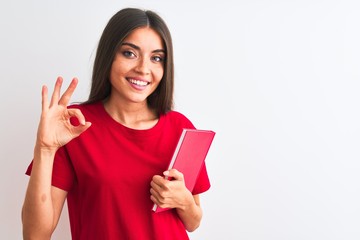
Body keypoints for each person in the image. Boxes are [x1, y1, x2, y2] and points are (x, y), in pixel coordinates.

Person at [22, 7, 211, 240]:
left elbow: (194, 222)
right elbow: (35, 235)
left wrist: (183, 201)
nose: (143, 68)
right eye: (130, 53)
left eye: (156, 58)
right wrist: (44, 148)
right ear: (109, 56)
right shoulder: (73, 126)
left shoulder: (181, 127)